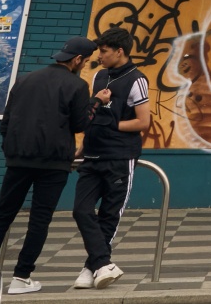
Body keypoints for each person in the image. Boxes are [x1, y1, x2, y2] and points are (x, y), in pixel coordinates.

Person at [0, 37, 95, 296]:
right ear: (77, 60)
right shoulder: (77, 85)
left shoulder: (24, 80)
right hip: (53, 164)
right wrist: (96, 104)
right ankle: (21, 277)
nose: (84, 65)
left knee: (2, 215)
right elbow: (79, 124)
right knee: (39, 220)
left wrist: (11, 150)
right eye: (85, 61)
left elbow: (5, 122)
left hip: (18, 160)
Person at [73, 27, 152, 289]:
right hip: (93, 155)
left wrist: (111, 125)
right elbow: (93, 115)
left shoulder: (137, 79)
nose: (99, 56)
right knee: (81, 210)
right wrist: (84, 145)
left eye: (104, 52)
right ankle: (102, 263)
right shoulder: (99, 75)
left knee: (109, 214)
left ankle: (91, 267)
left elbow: (143, 122)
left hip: (120, 156)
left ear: (120, 52)